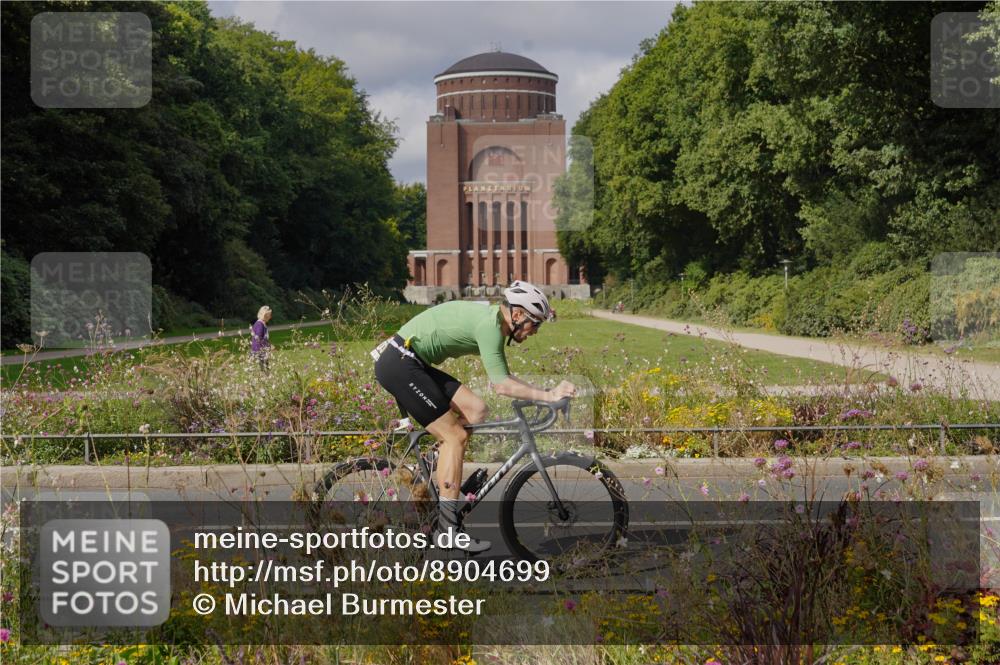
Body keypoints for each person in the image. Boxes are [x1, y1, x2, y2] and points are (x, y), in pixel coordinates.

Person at [372, 280, 576, 553]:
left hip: (410, 360)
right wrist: (549, 395)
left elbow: (504, 379)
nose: (535, 331)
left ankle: (437, 468)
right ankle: (448, 529)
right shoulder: (490, 327)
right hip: (400, 363)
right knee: (455, 437)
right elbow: (502, 385)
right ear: (517, 315)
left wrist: (543, 392)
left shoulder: (494, 322)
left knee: (476, 410)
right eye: (534, 323)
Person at [250, 305, 272, 370]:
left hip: (262, 349)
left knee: (265, 366)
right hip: (259, 350)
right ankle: (266, 377)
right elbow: (258, 338)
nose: (270, 317)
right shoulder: (259, 324)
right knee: (264, 367)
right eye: (269, 315)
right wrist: (268, 345)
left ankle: (266, 377)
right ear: (265, 315)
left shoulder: (262, 323)